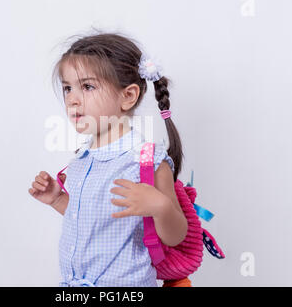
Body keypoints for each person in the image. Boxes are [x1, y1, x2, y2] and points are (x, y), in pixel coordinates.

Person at [29, 32, 187, 286]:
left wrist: (161, 207)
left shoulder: (146, 161)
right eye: (67, 87)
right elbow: (92, 221)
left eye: (87, 86)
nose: (72, 98)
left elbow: (177, 235)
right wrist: (58, 199)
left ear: (128, 96)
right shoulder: (81, 160)